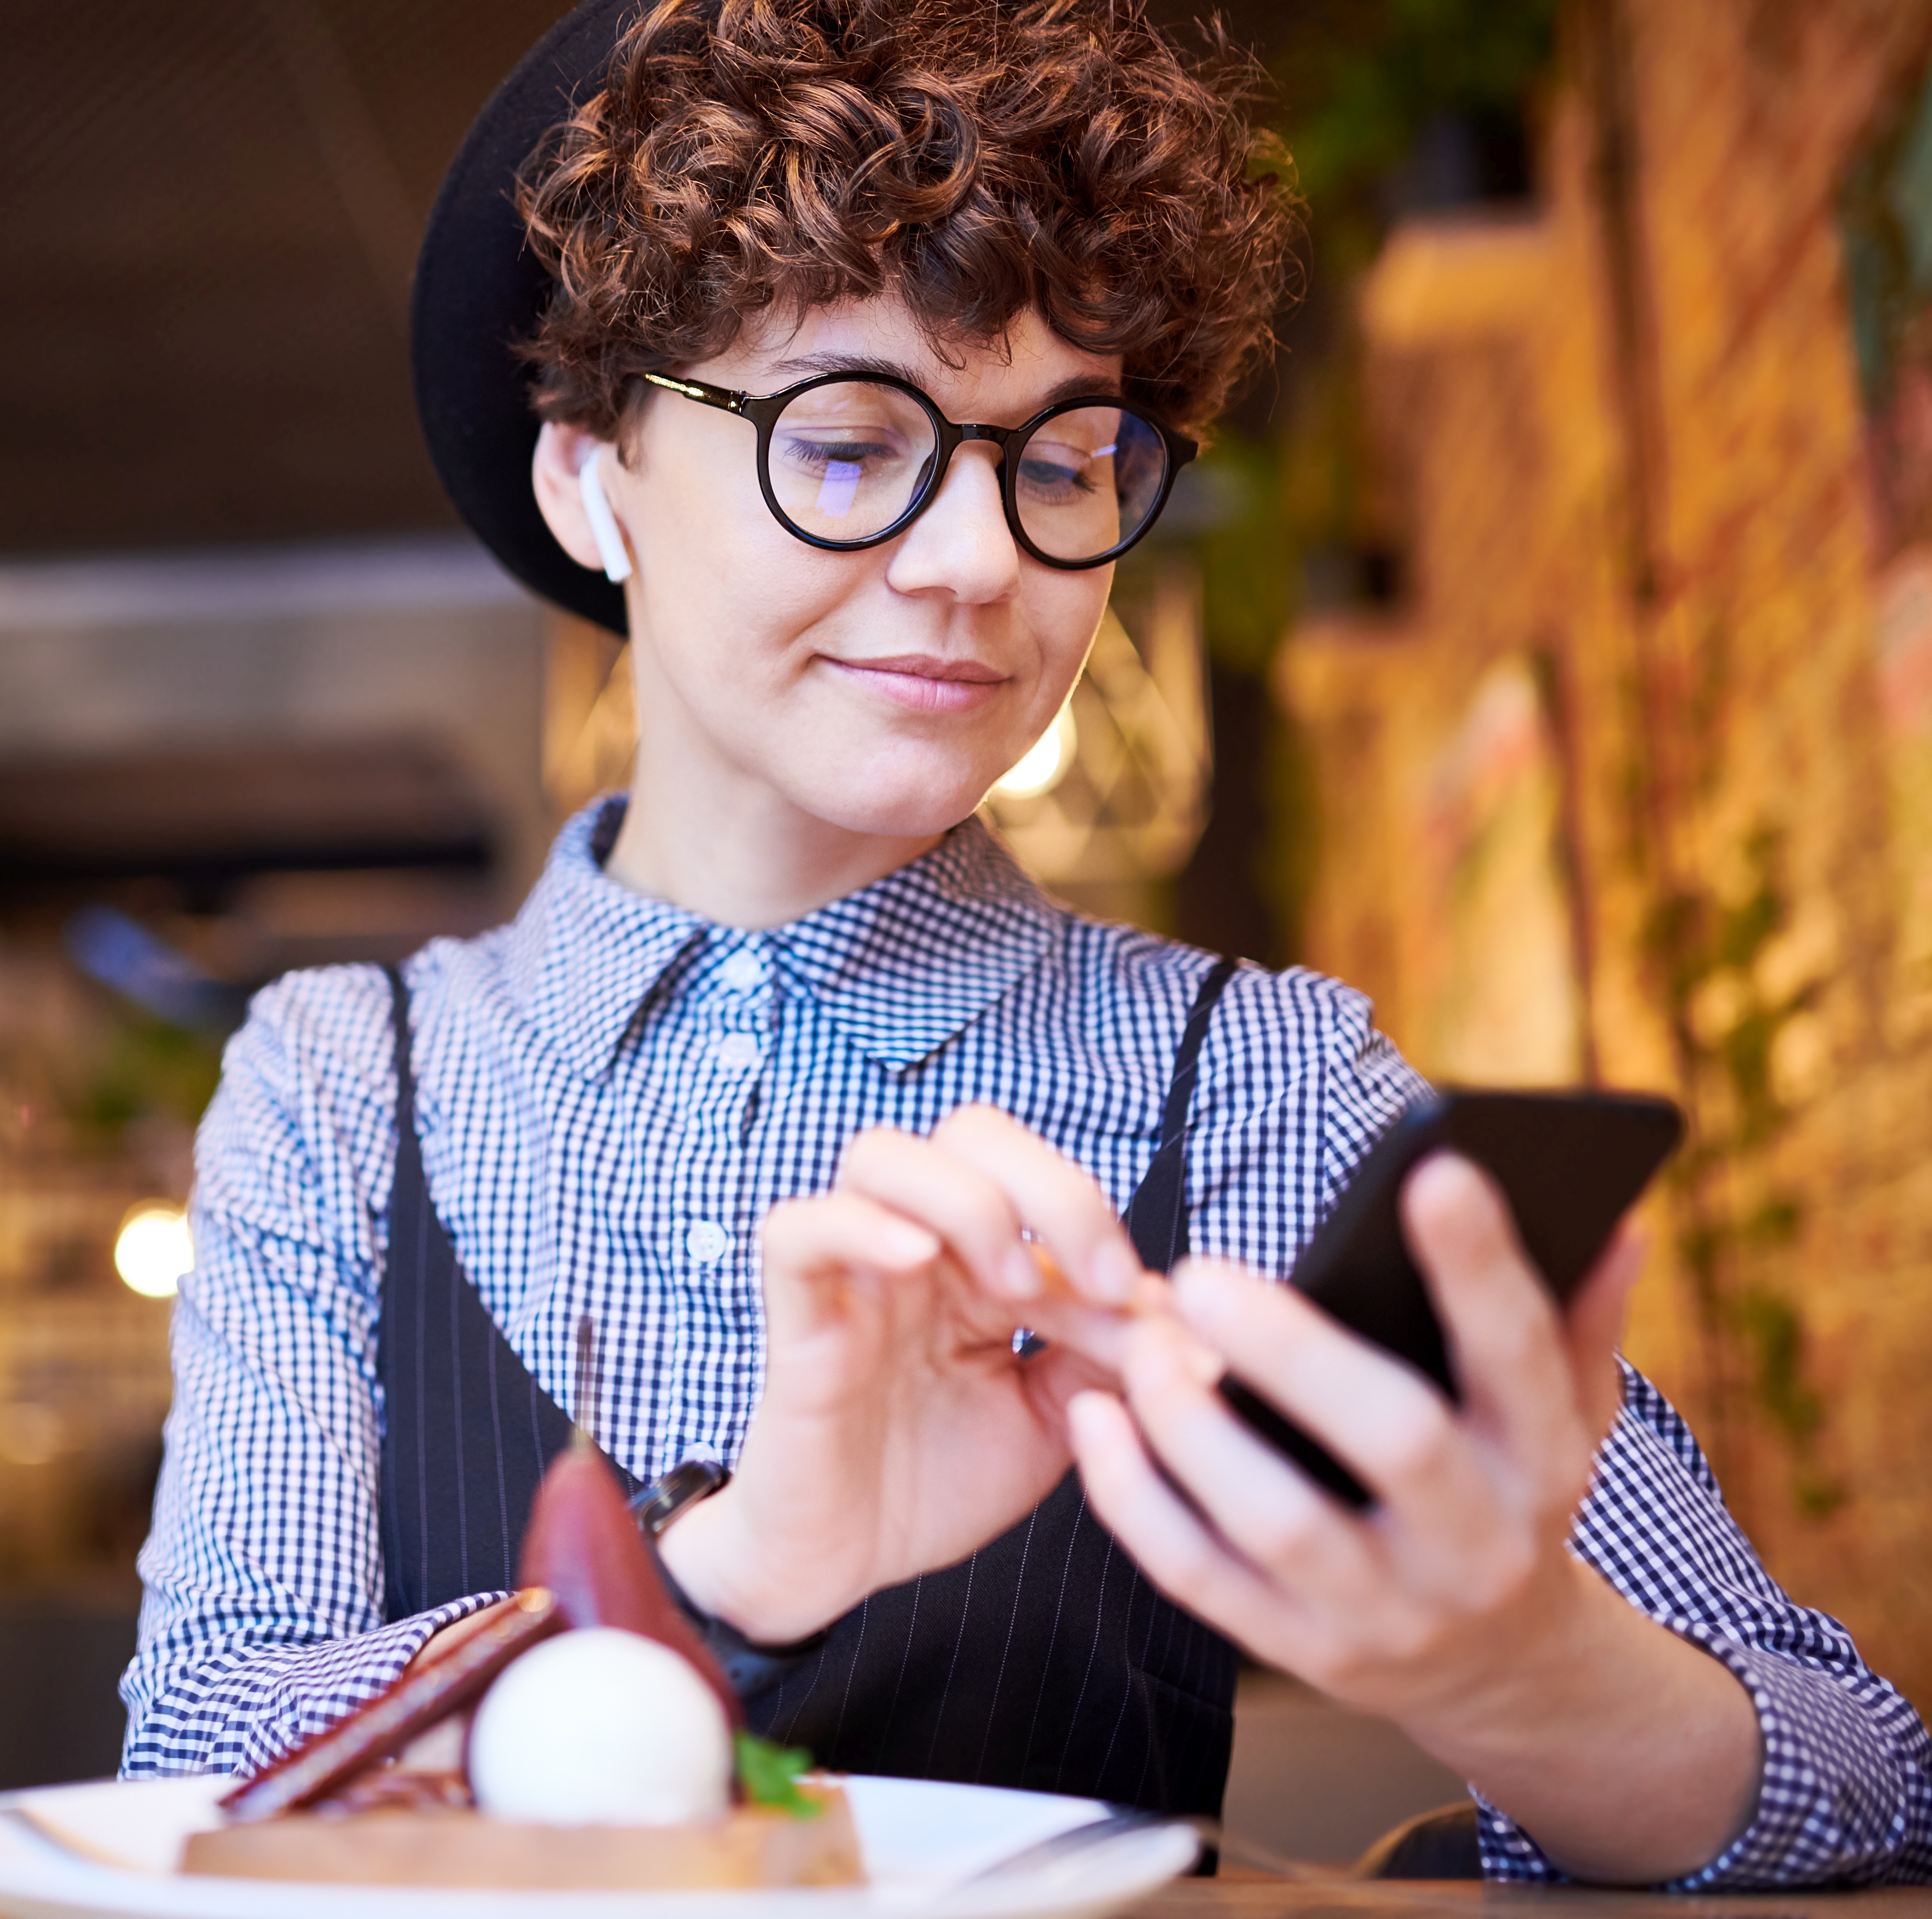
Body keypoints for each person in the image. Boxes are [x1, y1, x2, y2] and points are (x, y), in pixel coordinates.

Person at [121, 0, 1932, 1888]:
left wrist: (1514, 1664)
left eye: (1065, 458)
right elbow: (194, 1755)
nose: (982, 559)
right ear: (590, 478)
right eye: (845, 442)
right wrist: (733, 1568)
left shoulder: (1256, 1080)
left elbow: (1860, 1769)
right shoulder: (350, 1076)